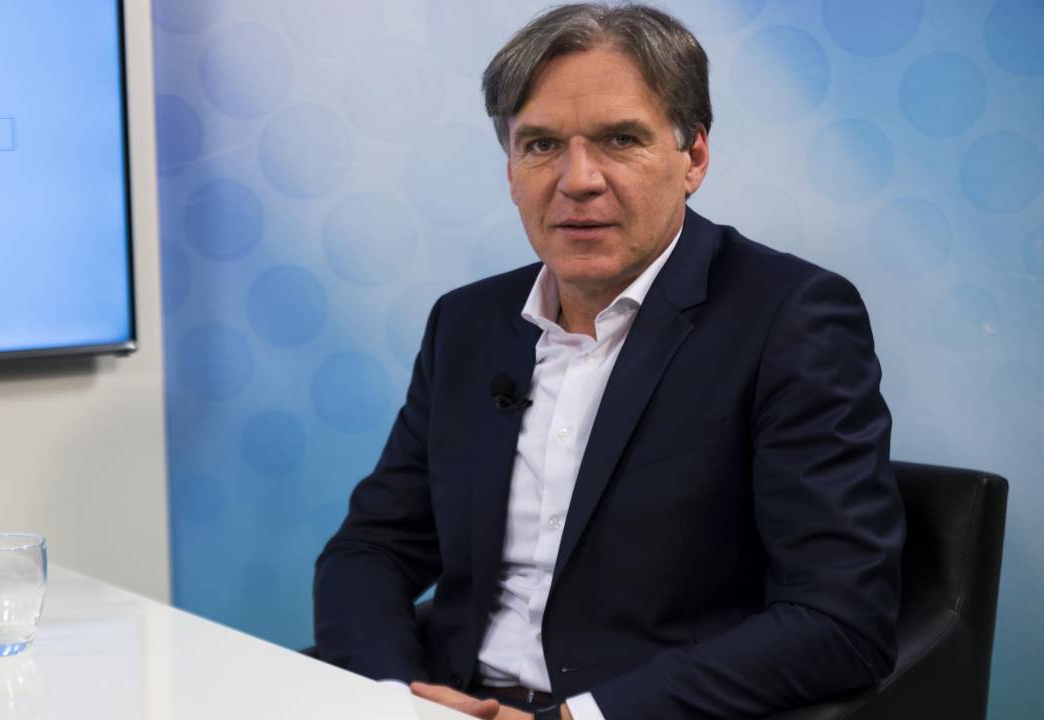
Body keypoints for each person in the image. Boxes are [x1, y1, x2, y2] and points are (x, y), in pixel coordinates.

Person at [313, 4, 905, 719]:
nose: (578, 180)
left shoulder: (791, 319)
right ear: (511, 170)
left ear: (693, 158)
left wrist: (575, 718)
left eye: (620, 139)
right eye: (541, 145)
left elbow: (840, 621)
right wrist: (394, 699)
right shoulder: (466, 324)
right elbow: (371, 550)